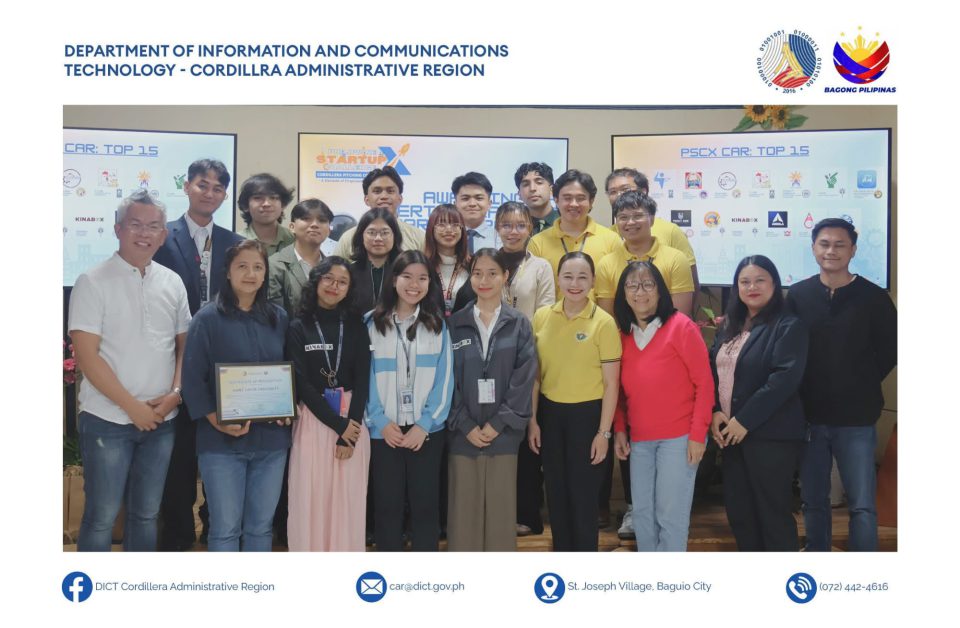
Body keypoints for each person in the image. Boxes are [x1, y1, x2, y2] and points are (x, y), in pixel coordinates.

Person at [69, 191, 190, 551]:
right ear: (118, 229)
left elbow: (184, 347)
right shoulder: (92, 281)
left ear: (163, 235)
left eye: (153, 226)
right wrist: (132, 407)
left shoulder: (172, 282)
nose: (144, 233)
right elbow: (87, 357)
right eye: (135, 224)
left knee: (147, 514)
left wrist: (176, 395)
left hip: (162, 420)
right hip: (107, 420)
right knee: (101, 516)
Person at [787, 218, 897, 552]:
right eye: (824, 244)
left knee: (861, 504)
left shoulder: (874, 297)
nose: (831, 251)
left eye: (839, 244)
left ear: (853, 250)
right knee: (813, 499)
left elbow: (890, 350)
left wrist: (859, 380)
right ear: (813, 248)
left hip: (857, 416)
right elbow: (789, 349)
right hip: (810, 415)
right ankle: (817, 555)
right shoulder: (798, 295)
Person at [154, 158, 243, 552]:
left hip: (223, 365)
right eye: (202, 185)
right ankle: (177, 536)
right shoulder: (162, 236)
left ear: (224, 195)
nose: (209, 193)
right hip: (173, 359)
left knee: (221, 455)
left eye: (217, 188)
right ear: (187, 186)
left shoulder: (233, 242)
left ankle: (214, 530)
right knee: (179, 460)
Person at [181, 240, 291, 551]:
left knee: (260, 528)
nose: (250, 274)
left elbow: (290, 370)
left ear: (265, 273)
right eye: (242, 266)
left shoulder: (279, 317)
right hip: (221, 443)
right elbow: (192, 379)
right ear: (228, 272)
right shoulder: (207, 318)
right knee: (225, 529)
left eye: (258, 267)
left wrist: (287, 405)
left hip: (271, 442)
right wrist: (215, 419)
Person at [611, 261, 713, 551]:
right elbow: (618, 392)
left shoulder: (681, 327)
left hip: (679, 439)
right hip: (640, 440)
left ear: (660, 291)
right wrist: (620, 429)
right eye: (632, 285)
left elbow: (705, 385)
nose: (640, 292)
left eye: (648, 285)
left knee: (670, 516)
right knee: (643, 515)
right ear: (623, 293)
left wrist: (697, 435)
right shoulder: (623, 334)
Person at [710, 255, 808, 551]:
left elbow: (784, 379)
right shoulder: (730, 325)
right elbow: (712, 370)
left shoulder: (788, 324)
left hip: (770, 435)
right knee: (740, 513)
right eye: (745, 282)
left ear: (774, 284)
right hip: (731, 435)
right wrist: (715, 411)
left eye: (760, 280)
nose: (752, 287)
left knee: (772, 514)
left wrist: (744, 420)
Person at [530, 252, 621, 551]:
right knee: (556, 494)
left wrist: (603, 433)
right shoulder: (542, 317)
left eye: (583, 277)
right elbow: (536, 377)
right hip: (550, 415)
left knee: (584, 497)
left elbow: (611, 384)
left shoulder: (604, 322)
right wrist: (533, 421)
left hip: (589, 416)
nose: (575, 283)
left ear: (593, 281)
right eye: (568, 276)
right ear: (558, 279)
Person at [446, 249, 537, 551]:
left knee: (500, 516)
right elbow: (446, 379)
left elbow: (524, 378)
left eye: (492, 273)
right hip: (463, 434)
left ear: (505, 277)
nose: (484, 280)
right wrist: (465, 423)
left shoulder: (518, 323)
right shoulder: (455, 324)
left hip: (504, 434)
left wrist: (499, 423)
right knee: (463, 518)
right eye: (477, 273)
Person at [366, 250, 453, 551]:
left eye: (422, 278)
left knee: (425, 506)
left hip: (425, 432)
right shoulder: (372, 323)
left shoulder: (437, 325)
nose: (414, 285)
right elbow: (363, 378)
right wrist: (379, 421)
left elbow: (445, 380)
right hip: (384, 431)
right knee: (387, 507)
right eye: (407, 277)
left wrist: (425, 424)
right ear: (394, 280)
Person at [286, 257, 372, 551]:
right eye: (329, 279)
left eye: (342, 282)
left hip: (352, 423)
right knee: (311, 498)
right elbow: (300, 383)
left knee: (348, 501)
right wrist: (338, 425)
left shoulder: (356, 325)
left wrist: (350, 431)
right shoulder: (298, 326)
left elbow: (363, 380)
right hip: (313, 420)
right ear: (316, 281)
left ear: (349, 288)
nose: (334, 286)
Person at [491, 201, 554, 537]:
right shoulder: (486, 262)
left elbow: (545, 314)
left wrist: (530, 355)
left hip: (529, 359)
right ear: (497, 228)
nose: (512, 231)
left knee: (527, 437)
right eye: (506, 225)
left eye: (519, 225)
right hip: (490, 362)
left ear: (530, 228)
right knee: (497, 437)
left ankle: (527, 513)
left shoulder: (541, 267)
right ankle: (497, 510)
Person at [596, 191, 694, 317]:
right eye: (623, 217)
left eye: (637, 216)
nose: (630, 222)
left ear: (651, 219)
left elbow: (680, 318)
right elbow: (608, 319)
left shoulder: (676, 259)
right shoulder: (606, 264)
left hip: (668, 329)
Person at [604, 168, 699, 294]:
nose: (619, 195)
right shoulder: (607, 235)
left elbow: (691, 283)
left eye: (625, 189)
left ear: (643, 191)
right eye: (613, 192)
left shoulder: (670, 230)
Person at [528, 169, 622, 296]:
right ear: (556, 200)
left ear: (591, 201)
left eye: (580, 198)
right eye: (567, 198)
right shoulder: (538, 243)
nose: (573, 204)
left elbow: (619, 289)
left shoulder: (612, 240)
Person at [333, 166, 425, 258]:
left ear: (400, 198)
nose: (384, 196)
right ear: (366, 199)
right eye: (377, 191)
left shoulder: (418, 237)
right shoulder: (348, 238)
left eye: (390, 191)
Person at [268, 198, 334, 318]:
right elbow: (274, 317)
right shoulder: (274, 265)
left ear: (329, 230)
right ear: (292, 227)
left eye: (322, 220)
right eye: (306, 218)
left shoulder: (333, 268)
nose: (314, 225)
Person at [350, 207, 403, 313]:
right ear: (361, 236)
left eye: (385, 233)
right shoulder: (349, 272)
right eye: (371, 232)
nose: (378, 238)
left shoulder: (403, 271)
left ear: (395, 236)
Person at [423, 203, 471, 316]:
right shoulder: (422, 265)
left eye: (455, 224)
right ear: (431, 229)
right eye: (441, 224)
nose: (449, 230)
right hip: (429, 325)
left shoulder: (472, 265)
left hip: (466, 325)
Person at [237, 173, 295, 256]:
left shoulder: (295, 240)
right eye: (258, 198)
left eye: (273, 198)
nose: (266, 204)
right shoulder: (236, 241)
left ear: (283, 205)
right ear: (246, 205)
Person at [452, 171, 499, 253]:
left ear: (489, 204)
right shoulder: (446, 238)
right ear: (455, 204)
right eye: (465, 198)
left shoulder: (500, 238)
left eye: (479, 198)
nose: (472, 204)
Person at [515, 162, 559, 234]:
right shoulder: (514, 228)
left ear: (551, 190)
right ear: (519, 194)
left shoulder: (565, 222)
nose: (532, 188)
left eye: (539, 182)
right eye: (526, 184)